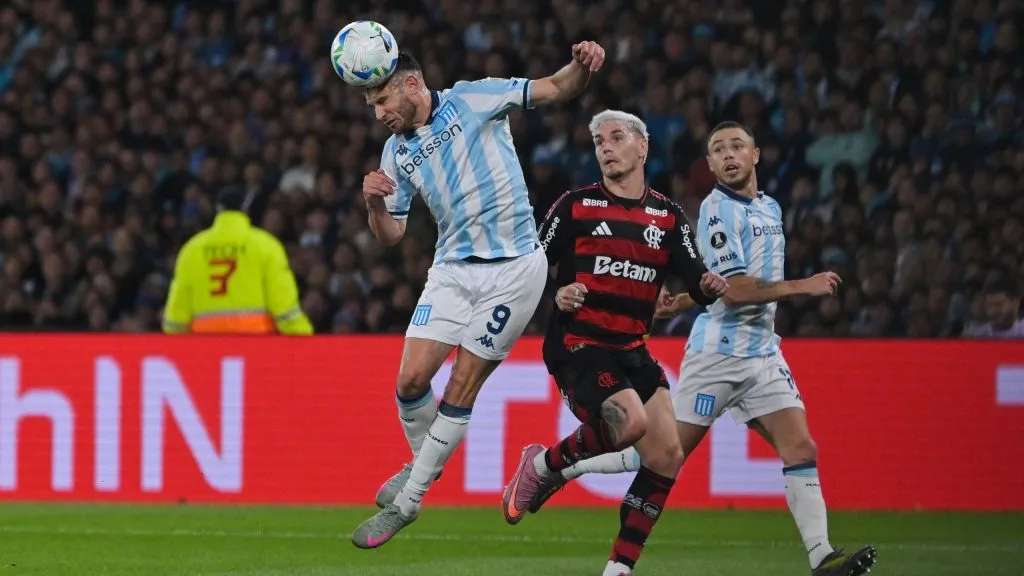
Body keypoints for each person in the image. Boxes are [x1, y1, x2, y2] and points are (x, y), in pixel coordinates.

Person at [527, 121, 879, 576]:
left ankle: (821, 558)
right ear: (710, 165)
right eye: (718, 149)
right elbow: (732, 292)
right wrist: (801, 287)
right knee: (657, 451)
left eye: (737, 146)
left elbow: (717, 285)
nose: (728, 154)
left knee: (801, 447)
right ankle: (562, 470)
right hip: (718, 356)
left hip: (763, 354)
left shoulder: (769, 207)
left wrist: (683, 302)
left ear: (756, 155)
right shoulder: (716, 210)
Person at [351, 42, 608, 549]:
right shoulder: (395, 151)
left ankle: (410, 501)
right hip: (450, 270)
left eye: (382, 100)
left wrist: (582, 66)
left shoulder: (473, 98)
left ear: (411, 85)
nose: (379, 113)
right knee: (409, 383)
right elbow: (391, 235)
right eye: (372, 106)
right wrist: (374, 205)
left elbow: (556, 87)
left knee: (462, 384)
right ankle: (426, 465)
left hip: (513, 270)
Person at [500, 110, 728, 576]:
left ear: (642, 147)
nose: (605, 146)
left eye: (616, 137)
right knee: (630, 424)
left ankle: (618, 570)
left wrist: (708, 284)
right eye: (599, 140)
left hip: (632, 350)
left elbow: (695, 280)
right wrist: (555, 293)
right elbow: (528, 269)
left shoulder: (666, 216)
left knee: (667, 455)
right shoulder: (574, 206)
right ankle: (543, 466)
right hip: (578, 344)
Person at [162, 187, 312, 335]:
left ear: (217, 210)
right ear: (245, 208)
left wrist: (178, 342)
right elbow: (284, 306)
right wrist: (304, 336)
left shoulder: (192, 249)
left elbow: (176, 317)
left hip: (206, 347)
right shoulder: (266, 245)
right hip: (254, 344)